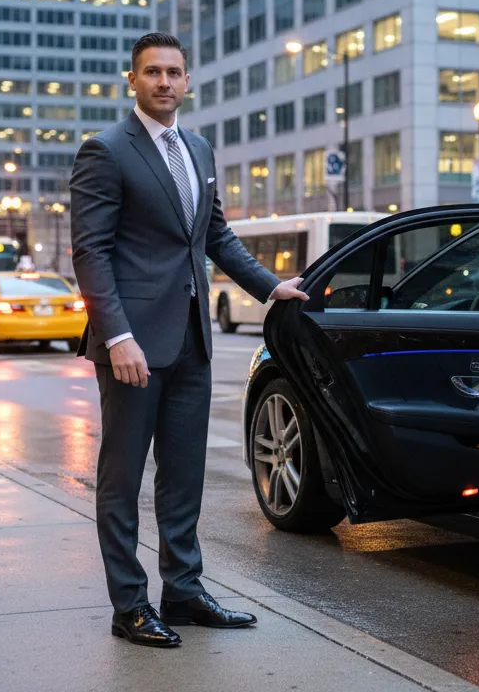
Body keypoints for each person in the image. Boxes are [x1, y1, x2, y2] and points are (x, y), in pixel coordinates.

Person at [70, 32, 308, 648]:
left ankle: (183, 591)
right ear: (133, 80)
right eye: (153, 72)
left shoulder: (198, 148)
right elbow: (90, 252)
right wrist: (116, 335)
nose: (165, 82)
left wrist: (269, 287)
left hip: (193, 340)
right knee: (121, 479)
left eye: (175, 71)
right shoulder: (106, 150)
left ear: (188, 80)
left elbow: (216, 237)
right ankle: (130, 605)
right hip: (133, 349)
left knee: (184, 476)